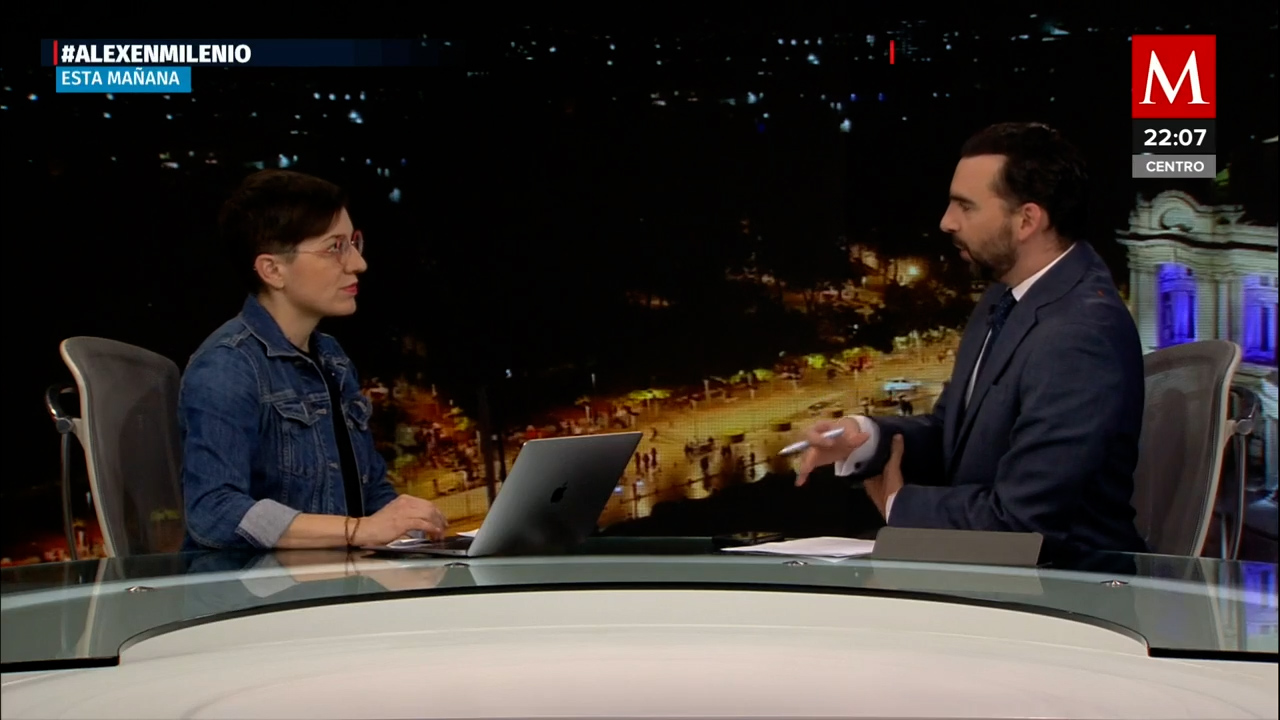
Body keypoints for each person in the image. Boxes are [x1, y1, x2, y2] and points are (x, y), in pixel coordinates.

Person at [796, 122, 1147, 556]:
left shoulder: (1080, 335)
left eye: (965, 206)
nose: (946, 222)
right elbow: (953, 435)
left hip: (1063, 583)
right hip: (993, 572)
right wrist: (865, 437)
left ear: (1027, 220)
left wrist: (897, 504)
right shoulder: (1005, 296)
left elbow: (1022, 524)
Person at [180, 169, 447, 550]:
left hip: (338, 574)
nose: (358, 263)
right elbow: (214, 510)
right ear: (273, 270)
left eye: (353, 243)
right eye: (334, 247)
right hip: (256, 585)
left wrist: (414, 527)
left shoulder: (333, 358)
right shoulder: (226, 366)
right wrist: (358, 530)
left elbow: (371, 495)